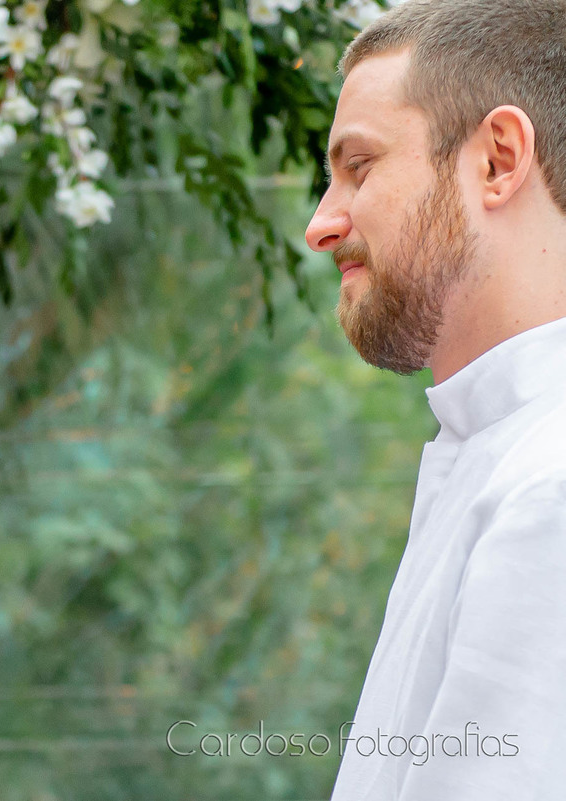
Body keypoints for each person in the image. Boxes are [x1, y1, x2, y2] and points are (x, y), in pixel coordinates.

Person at [305, 0, 566, 797]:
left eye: (361, 165)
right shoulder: (495, 451)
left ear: (496, 159)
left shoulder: (547, 490)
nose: (322, 224)